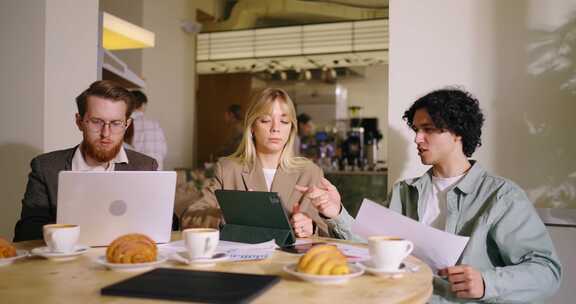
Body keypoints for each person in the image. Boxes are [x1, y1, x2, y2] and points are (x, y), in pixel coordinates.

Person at [306, 88, 563, 303]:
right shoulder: (404, 191)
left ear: (457, 132)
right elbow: (371, 247)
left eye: (428, 129)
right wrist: (336, 212)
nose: (417, 138)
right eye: (416, 129)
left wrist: (487, 282)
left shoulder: (501, 196)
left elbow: (547, 271)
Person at [13, 81, 158, 242]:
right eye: (96, 121)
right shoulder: (46, 168)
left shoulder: (146, 166)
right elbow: (26, 235)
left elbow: (164, 225)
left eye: (116, 123)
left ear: (127, 125)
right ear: (79, 121)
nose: (106, 133)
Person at [178, 88, 335, 237]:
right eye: (266, 120)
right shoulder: (228, 169)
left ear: (291, 129)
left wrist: (311, 227)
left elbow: (331, 233)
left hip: (289, 263)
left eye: (284, 121)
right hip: (241, 263)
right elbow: (189, 218)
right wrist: (226, 216)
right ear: (252, 126)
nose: (275, 128)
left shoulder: (310, 172)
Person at [130, 90, 168, 170]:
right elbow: (164, 151)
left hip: (136, 173)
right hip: (157, 171)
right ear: (143, 105)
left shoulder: (126, 125)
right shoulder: (155, 125)